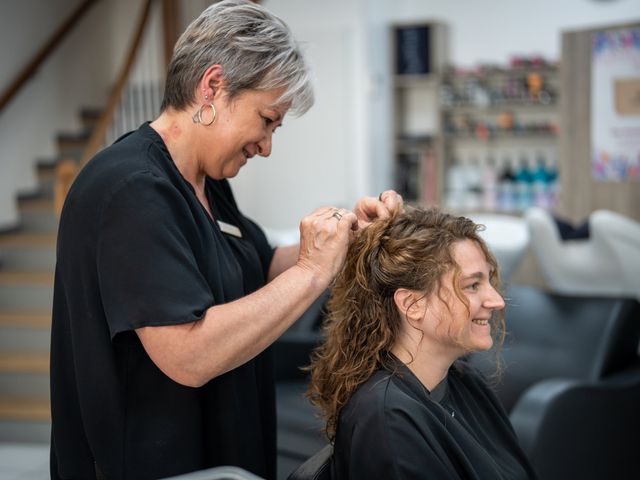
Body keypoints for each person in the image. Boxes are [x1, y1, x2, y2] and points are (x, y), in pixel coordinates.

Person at [49, 1, 402, 479]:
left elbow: (260, 265)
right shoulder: (130, 189)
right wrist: (313, 271)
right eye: (266, 119)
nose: (267, 145)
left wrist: (348, 236)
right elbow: (189, 355)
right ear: (212, 86)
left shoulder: (208, 182)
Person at [307, 207, 538, 479]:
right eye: (472, 286)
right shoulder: (388, 418)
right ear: (413, 304)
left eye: (488, 281)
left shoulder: (467, 382)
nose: (497, 301)